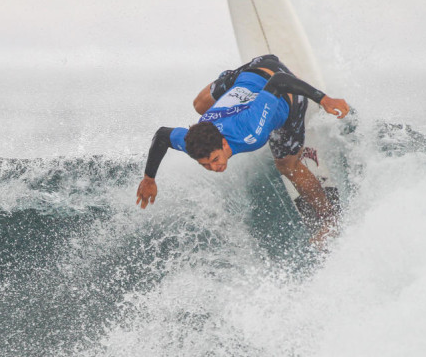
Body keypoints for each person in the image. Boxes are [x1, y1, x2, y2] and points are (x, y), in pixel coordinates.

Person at [135, 54, 349, 245]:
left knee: (287, 165)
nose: (213, 167)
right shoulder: (193, 142)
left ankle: (329, 220)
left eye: (215, 159)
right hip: (254, 67)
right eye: (206, 164)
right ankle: (233, 79)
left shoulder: (250, 131)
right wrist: (149, 178)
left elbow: (280, 82)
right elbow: (163, 135)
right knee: (200, 105)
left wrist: (324, 99)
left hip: (286, 94)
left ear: (225, 144)